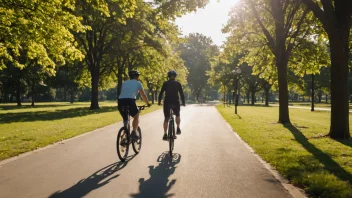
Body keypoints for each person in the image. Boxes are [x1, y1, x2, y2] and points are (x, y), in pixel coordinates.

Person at [118, 70, 151, 140]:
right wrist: (147, 103)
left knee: (125, 118)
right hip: (130, 100)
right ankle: (133, 132)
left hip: (120, 101)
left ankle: (124, 134)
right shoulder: (138, 83)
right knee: (136, 115)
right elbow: (143, 95)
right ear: (137, 76)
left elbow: (123, 93)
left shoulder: (124, 83)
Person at [158, 70, 185, 141]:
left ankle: (165, 134)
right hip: (176, 102)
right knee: (177, 115)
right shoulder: (178, 83)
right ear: (175, 76)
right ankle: (178, 128)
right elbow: (181, 94)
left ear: (168, 76)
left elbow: (161, 93)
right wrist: (183, 102)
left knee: (166, 118)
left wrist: (159, 102)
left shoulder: (165, 83)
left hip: (167, 102)